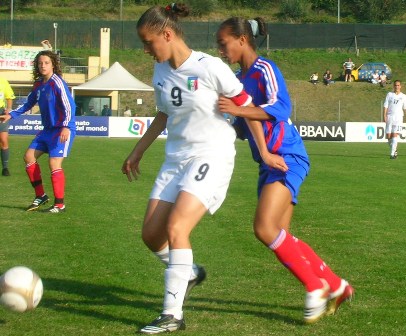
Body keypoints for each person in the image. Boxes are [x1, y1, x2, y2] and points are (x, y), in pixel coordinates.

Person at [121, 3, 253, 334]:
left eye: (149, 42)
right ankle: (190, 272)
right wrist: (137, 152)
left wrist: (264, 150)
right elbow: (164, 115)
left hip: (212, 154)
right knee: (151, 235)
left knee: (177, 228)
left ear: (167, 34)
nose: (147, 50)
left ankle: (172, 315)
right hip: (175, 159)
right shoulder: (161, 71)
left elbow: (247, 107)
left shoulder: (211, 67)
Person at [217, 17, 354, 324]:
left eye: (223, 43)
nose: (220, 50)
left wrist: (237, 110)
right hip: (268, 162)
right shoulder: (238, 80)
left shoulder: (265, 68)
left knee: (264, 228)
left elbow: (281, 108)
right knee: (280, 235)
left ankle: (315, 285)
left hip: (287, 155)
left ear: (241, 40)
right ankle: (336, 284)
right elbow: (246, 126)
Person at [0, 50, 76, 213]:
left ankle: (59, 205)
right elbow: (28, 103)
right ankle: (41, 195)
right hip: (47, 130)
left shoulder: (58, 83)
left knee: (54, 163)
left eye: (46, 63)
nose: (43, 65)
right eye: (40, 63)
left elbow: (70, 106)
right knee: (28, 157)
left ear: (53, 64)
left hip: (61, 129)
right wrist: (11, 114)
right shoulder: (39, 84)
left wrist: (66, 126)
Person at [383, 80, 406, 159]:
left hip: (398, 117)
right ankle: (394, 149)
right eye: (395, 85)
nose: (397, 87)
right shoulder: (389, 95)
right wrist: (384, 115)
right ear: (393, 86)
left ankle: (392, 154)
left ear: (400, 86)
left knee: (395, 134)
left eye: (398, 85)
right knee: (388, 136)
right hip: (390, 116)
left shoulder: (403, 96)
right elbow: (385, 106)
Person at [0, 77, 15, 176]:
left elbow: (9, 97)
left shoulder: (3, 81)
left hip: (1, 112)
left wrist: (9, 108)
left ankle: (5, 168)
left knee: (3, 139)